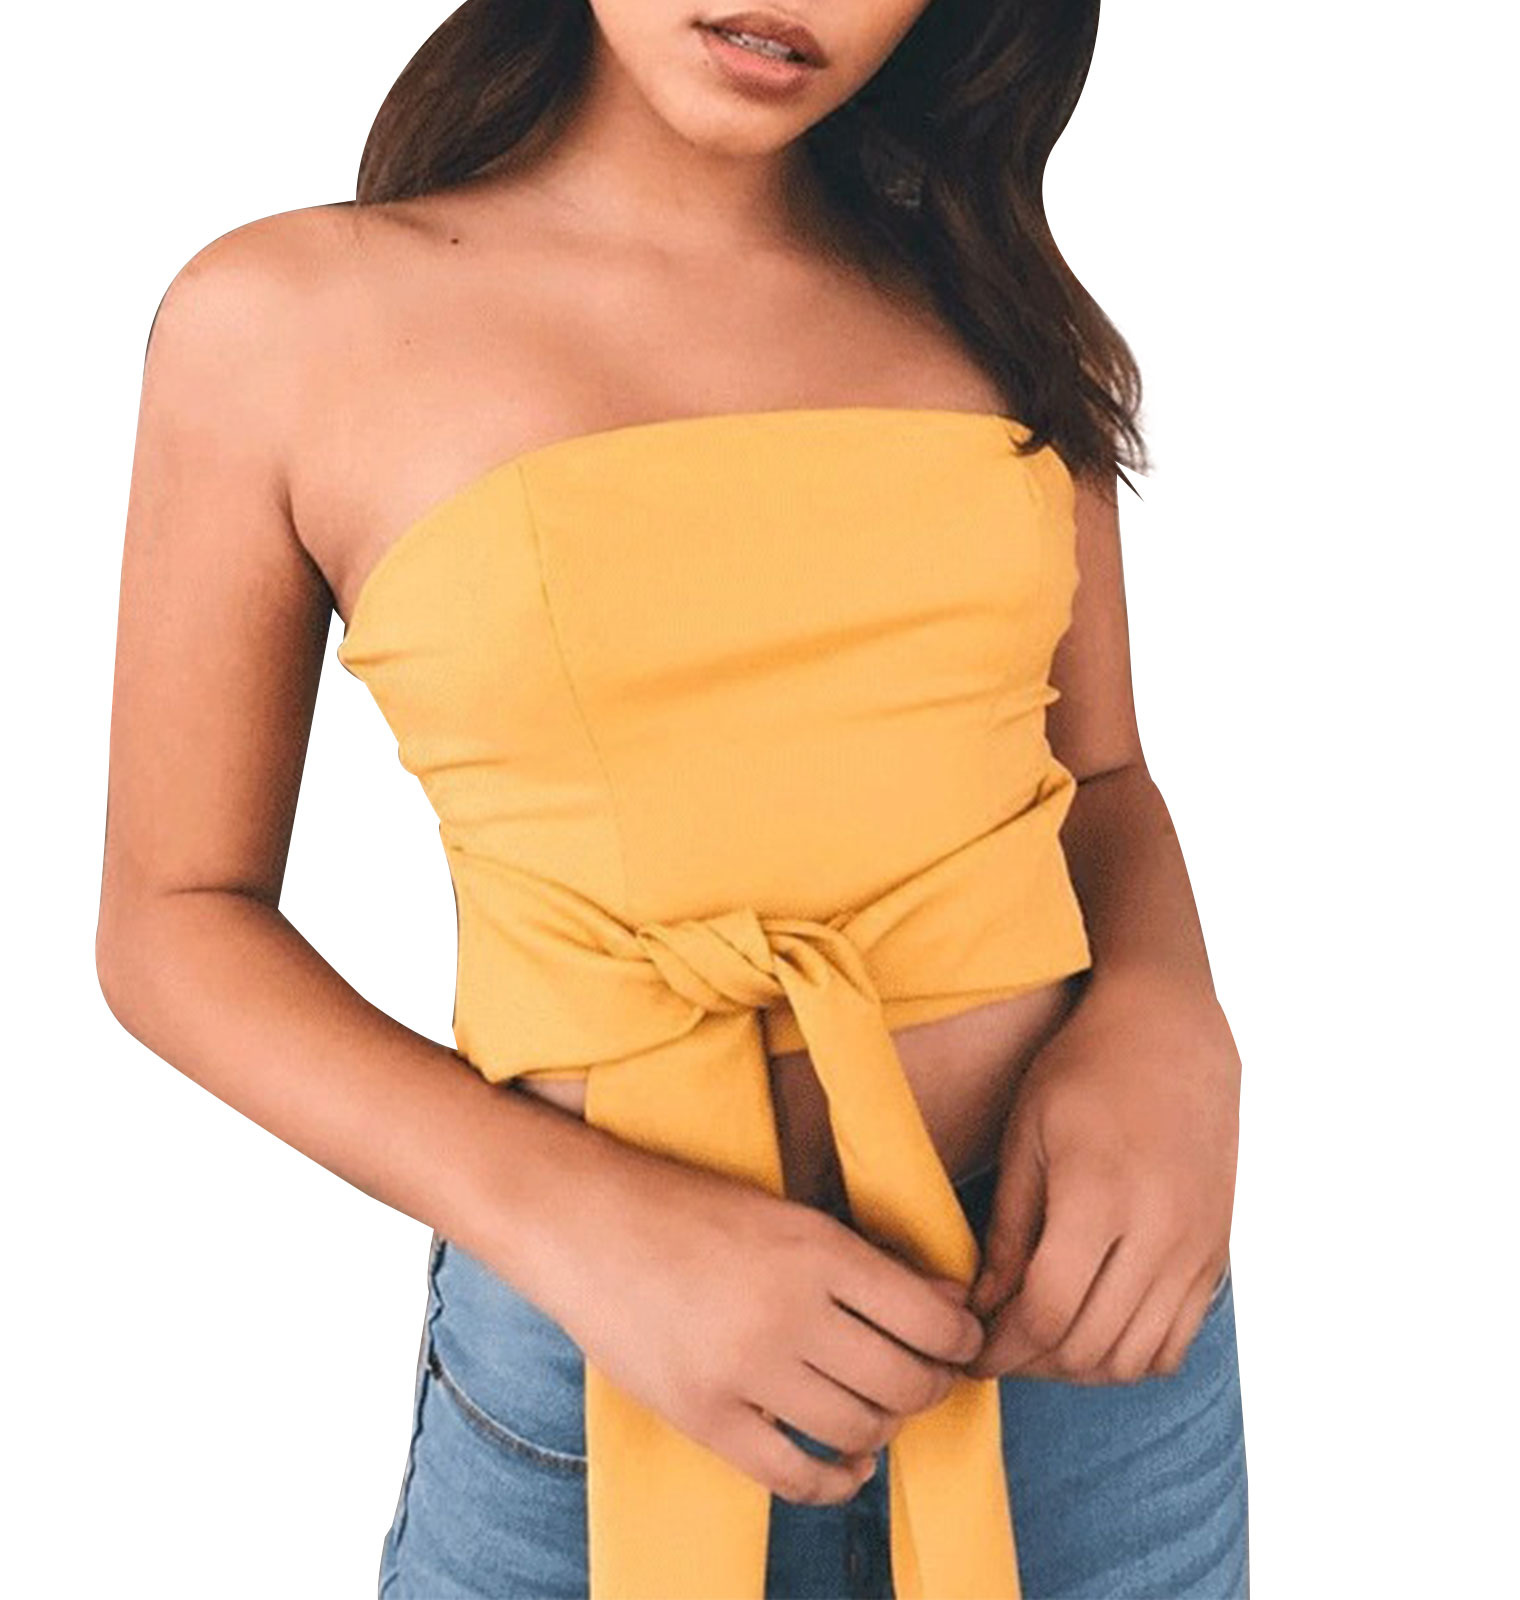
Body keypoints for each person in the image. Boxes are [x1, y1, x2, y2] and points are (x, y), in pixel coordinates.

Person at [97, 2, 1250, 1596]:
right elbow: (172, 923)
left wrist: (1172, 1023)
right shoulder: (282, 319)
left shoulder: (982, 294)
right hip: (601, 1358)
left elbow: (1100, 776)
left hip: (1075, 1332)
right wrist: (589, 1233)